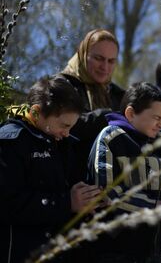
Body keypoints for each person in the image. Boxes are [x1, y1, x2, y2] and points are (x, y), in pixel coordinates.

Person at [0, 76, 101, 262]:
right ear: (37, 112)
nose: (67, 133)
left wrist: (89, 199)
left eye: (71, 127)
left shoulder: (62, 143)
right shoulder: (10, 142)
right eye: (64, 125)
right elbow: (8, 203)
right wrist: (66, 203)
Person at [88, 82, 161, 262]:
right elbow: (105, 195)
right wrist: (157, 206)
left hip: (156, 250)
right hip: (115, 250)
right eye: (156, 117)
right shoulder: (112, 138)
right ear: (131, 114)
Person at [61, 28, 125, 112]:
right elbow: (38, 119)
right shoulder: (60, 87)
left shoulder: (120, 97)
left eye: (111, 61)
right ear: (83, 55)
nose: (104, 67)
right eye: (98, 58)